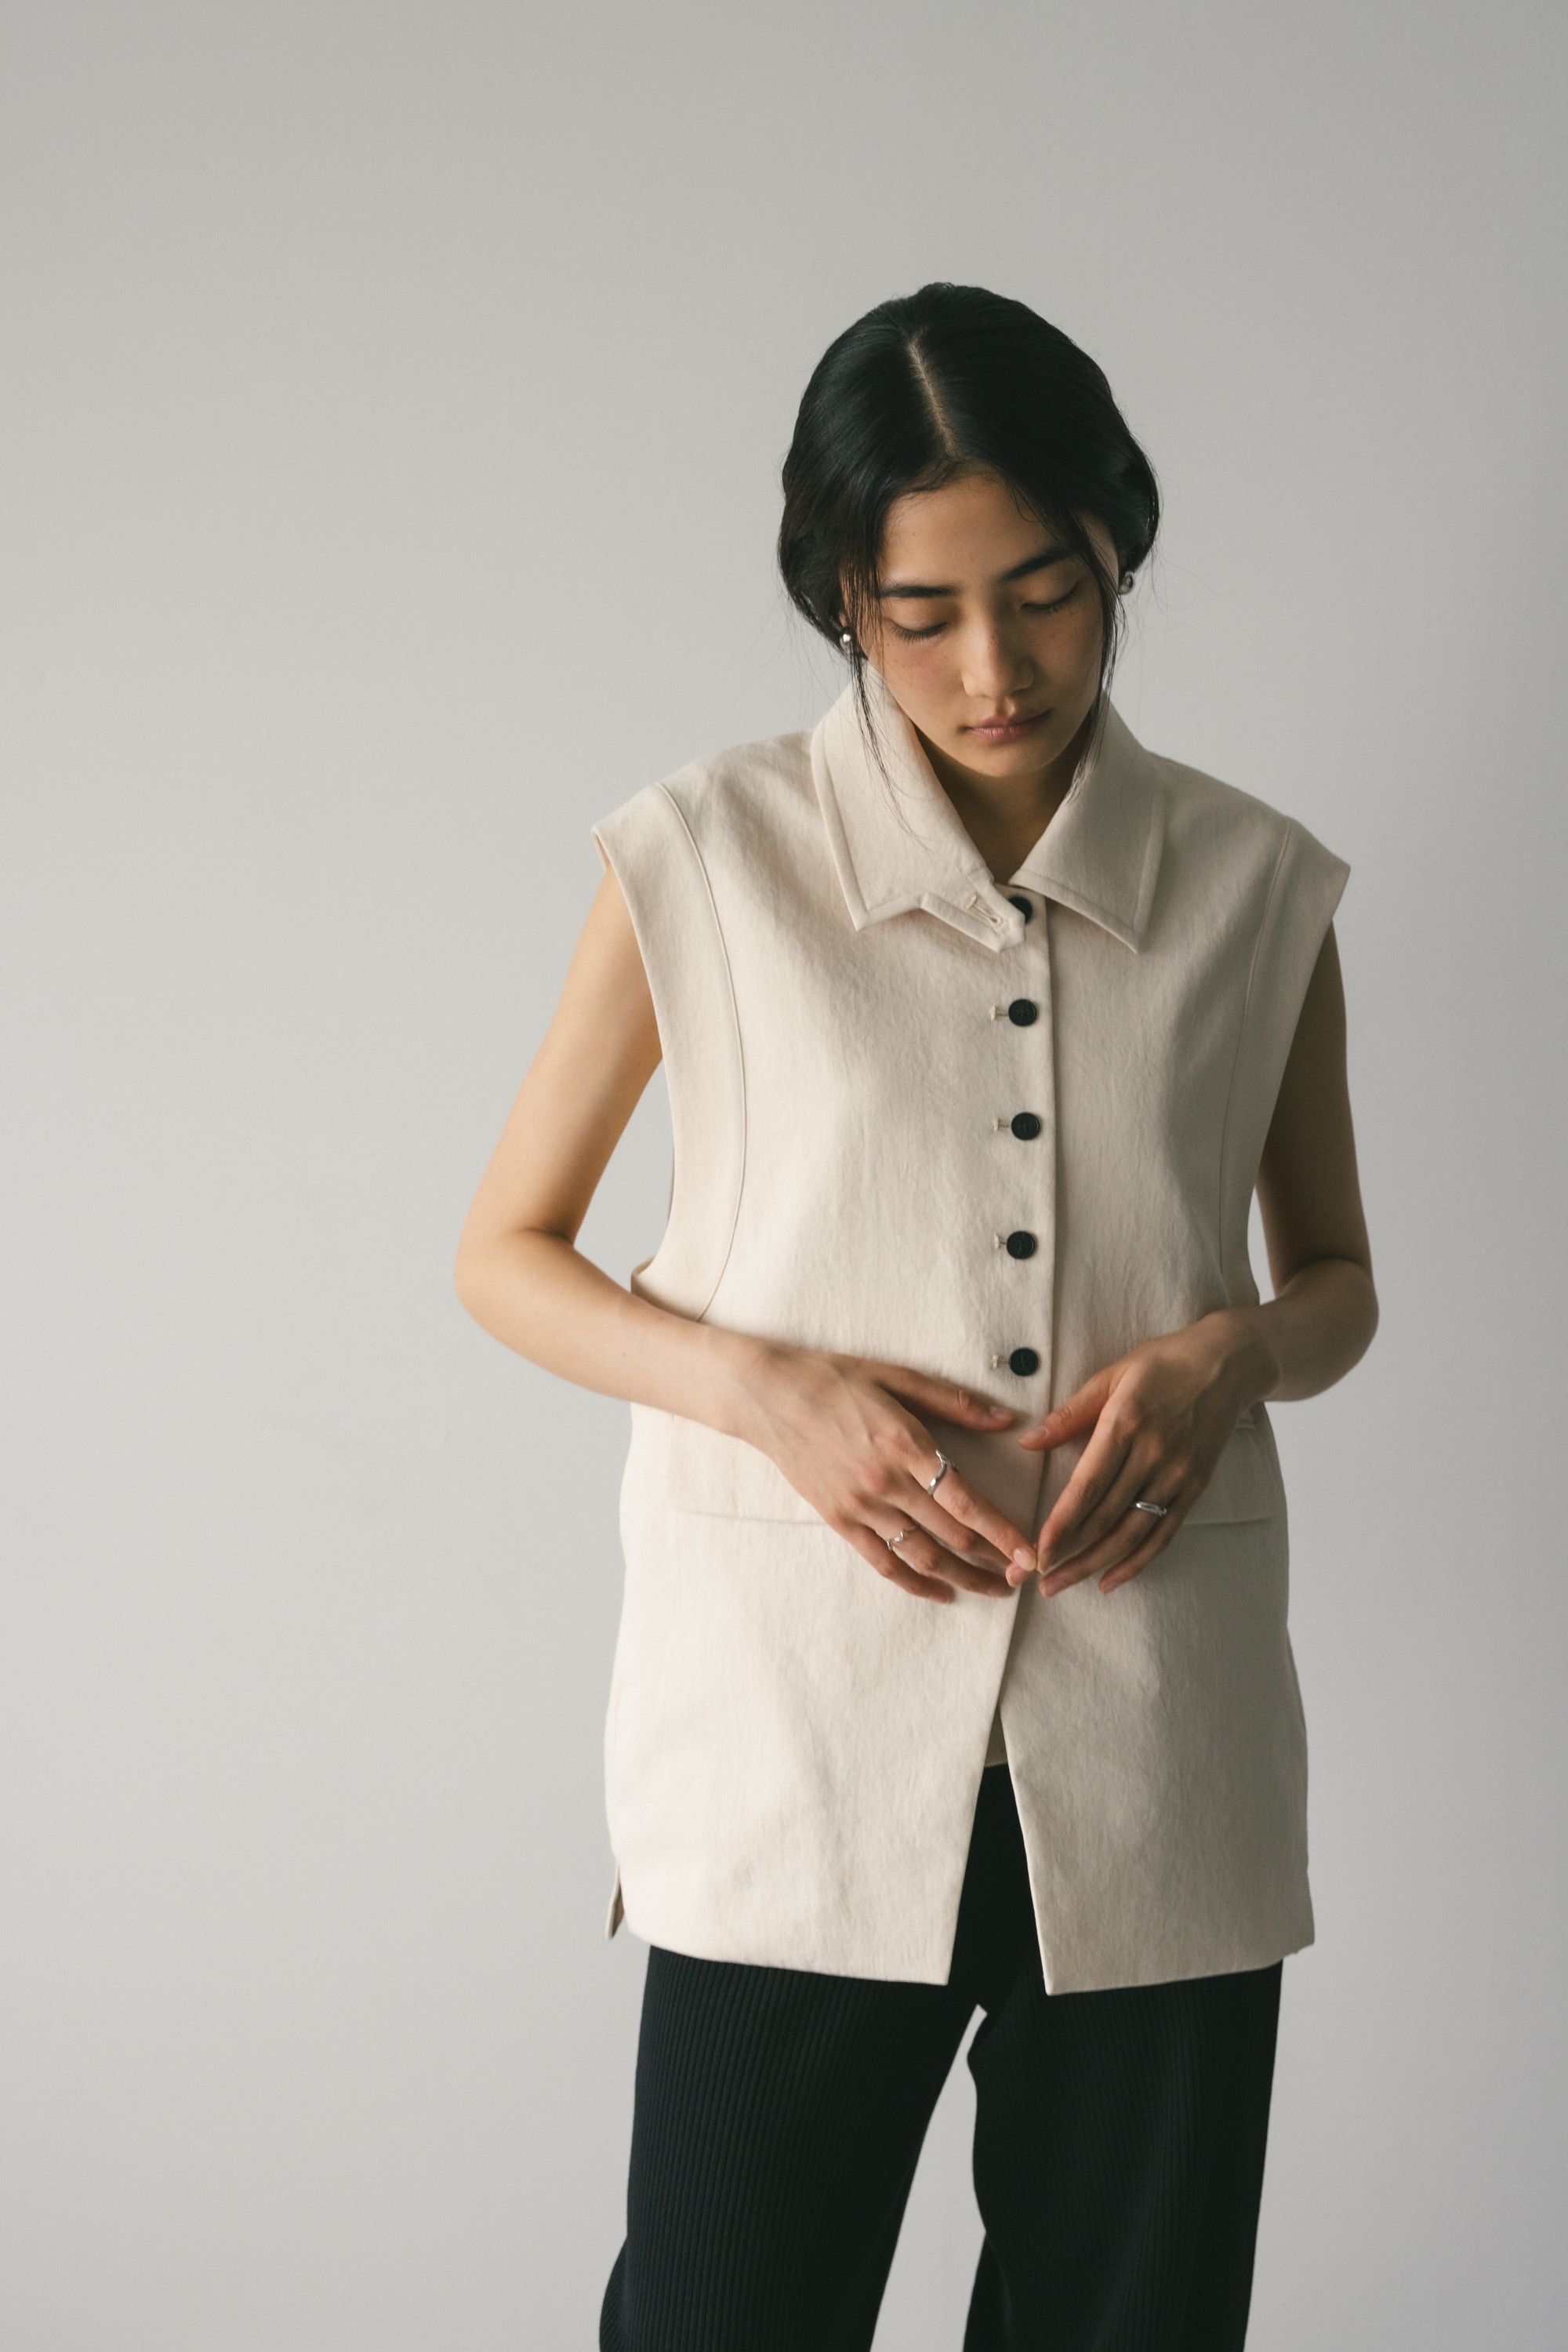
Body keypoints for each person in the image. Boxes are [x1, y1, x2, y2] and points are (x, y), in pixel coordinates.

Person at [455, 282, 1377, 2352]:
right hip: (793, 1727)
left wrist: (1233, 1352)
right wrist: (759, 1387)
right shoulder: (703, 858)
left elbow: (1335, 1283)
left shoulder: (1258, 886)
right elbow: (505, 1248)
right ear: (843, 604)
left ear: (1118, 550)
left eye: (1046, 594)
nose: (993, 668)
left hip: (1160, 1737)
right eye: (919, 612)